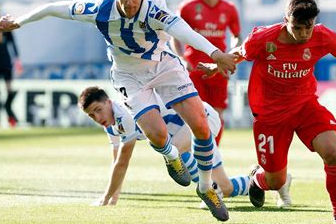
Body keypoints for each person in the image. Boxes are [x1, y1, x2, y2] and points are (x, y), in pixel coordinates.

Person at [0, 0, 237, 221]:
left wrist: (216, 53)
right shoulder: (100, 9)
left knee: (201, 125)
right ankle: (172, 156)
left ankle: (205, 187)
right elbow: (55, 8)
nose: (129, 2)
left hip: (164, 66)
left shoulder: (154, 10)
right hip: (129, 76)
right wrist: (18, 21)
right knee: (157, 135)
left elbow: (184, 31)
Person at [198, 0, 336, 224]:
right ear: (286, 19)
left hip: (305, 105)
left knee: (332, 153)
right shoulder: (264, 38)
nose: (304, 34)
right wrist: (217, 65)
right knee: (275, 180)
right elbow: (241, 52)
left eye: (308, 28)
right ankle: (257, 180)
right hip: (270, 115)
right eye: (297, 28)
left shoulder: (322, 36)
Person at [78, 86, 291, 208]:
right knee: (226, 188)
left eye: (98, 110)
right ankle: (269, 181)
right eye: (91, 115)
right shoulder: (112, 124)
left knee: (174, 152)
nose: (97, 117)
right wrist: (114, 196)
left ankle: (207, 191)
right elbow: (117, 163)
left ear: (109, 102)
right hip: (188, 132)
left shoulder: (125, 114)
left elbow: (123, 161)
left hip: (203, 121)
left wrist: (106, 199)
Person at [174, 0, 241, 146]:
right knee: (197, 114)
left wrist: (231, 54)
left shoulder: (229, 9)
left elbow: (236, 35)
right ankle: (193, 152)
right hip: (194, 70)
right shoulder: (187, 8)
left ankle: (213, 153)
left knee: (217, 114)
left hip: (219, 69)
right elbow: (175, 34)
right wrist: (181, 57)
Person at [0, 0, 22, 128]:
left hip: (5, 59)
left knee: (10, 89)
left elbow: (12, 43)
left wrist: (17, 60)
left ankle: (9, 111)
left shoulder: (3, 23)